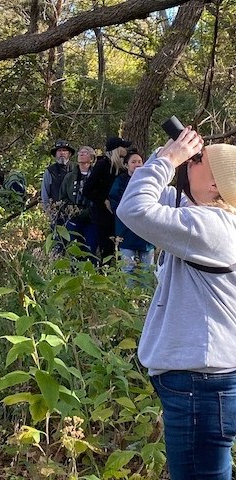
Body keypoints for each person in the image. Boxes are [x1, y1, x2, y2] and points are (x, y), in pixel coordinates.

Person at [117, 128, 236, 480]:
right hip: (203, 378)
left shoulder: (210, 226)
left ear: (215, 186)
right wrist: (166, 155)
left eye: (198, 161)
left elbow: (135, 208)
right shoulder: (209, 214)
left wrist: (169, 160)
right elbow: (161, 196)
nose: (189, 161)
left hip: (200, 383)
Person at [82, 135, 131, 264]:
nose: (126, 149)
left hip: (117, 216)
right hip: (102, 217)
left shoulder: (122, 168)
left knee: (119, 251)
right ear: (116, 149)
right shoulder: (102, 165)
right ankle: (105, 276)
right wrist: (103, 200)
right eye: (123, 146)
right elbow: (87, 189)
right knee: (106, 251)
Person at [109, 151, 154, 283]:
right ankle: (128, 299)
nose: (137, 165)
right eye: (133, 162)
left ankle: (145, 299)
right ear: (126, 165)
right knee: (127, 268)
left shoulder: (148, 180)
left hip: (146, 231)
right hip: (126, 229)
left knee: (147, 269)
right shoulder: (120, 181)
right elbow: (114, 201)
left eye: (139, 162)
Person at [59, 146, 98, 262]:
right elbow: (63, 197)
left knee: (90, 250)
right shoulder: (69, 177)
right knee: (73, 250)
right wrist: (71, 209)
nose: (81, 154)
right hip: (73, 218)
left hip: (91, 220)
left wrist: (89, 211)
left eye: (85, 153)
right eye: (80, 152)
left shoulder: (96, 176)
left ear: (91, 158)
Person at [41, 139, 75, 224]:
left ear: (69, 153)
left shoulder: (76, 169)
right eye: (59, 150)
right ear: (55, 154)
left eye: (64, 150)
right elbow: (45, 195)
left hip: (75, 215)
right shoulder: (49, 171)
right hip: (56, 215)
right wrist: (50, 214)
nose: (62, 153)